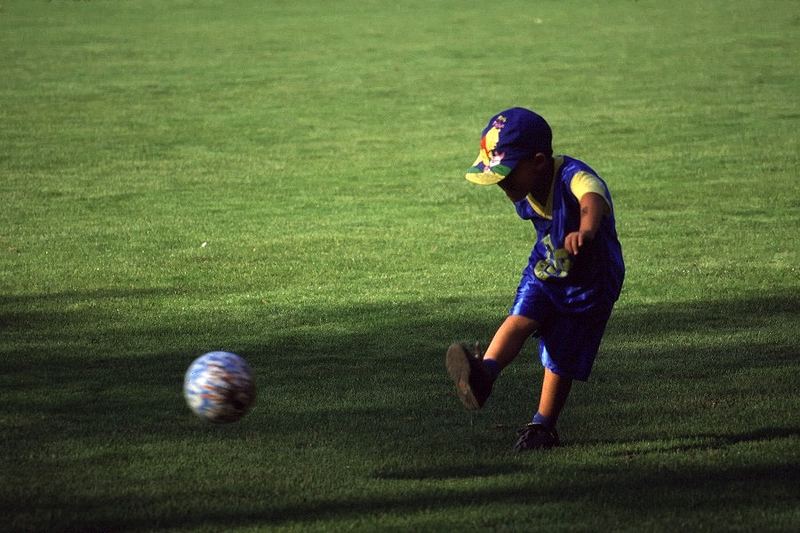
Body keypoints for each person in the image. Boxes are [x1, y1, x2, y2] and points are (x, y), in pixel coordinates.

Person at [446, 107, 625, 451]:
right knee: (519, 318)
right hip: (547, 265)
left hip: (588, 281)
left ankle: (543, 426)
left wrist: (585, 232)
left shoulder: (574, 176)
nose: (502, 184)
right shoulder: (528, 181)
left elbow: (592, 198)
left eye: (507, 175)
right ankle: (483, 375)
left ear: (539, 162)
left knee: (559, 353)